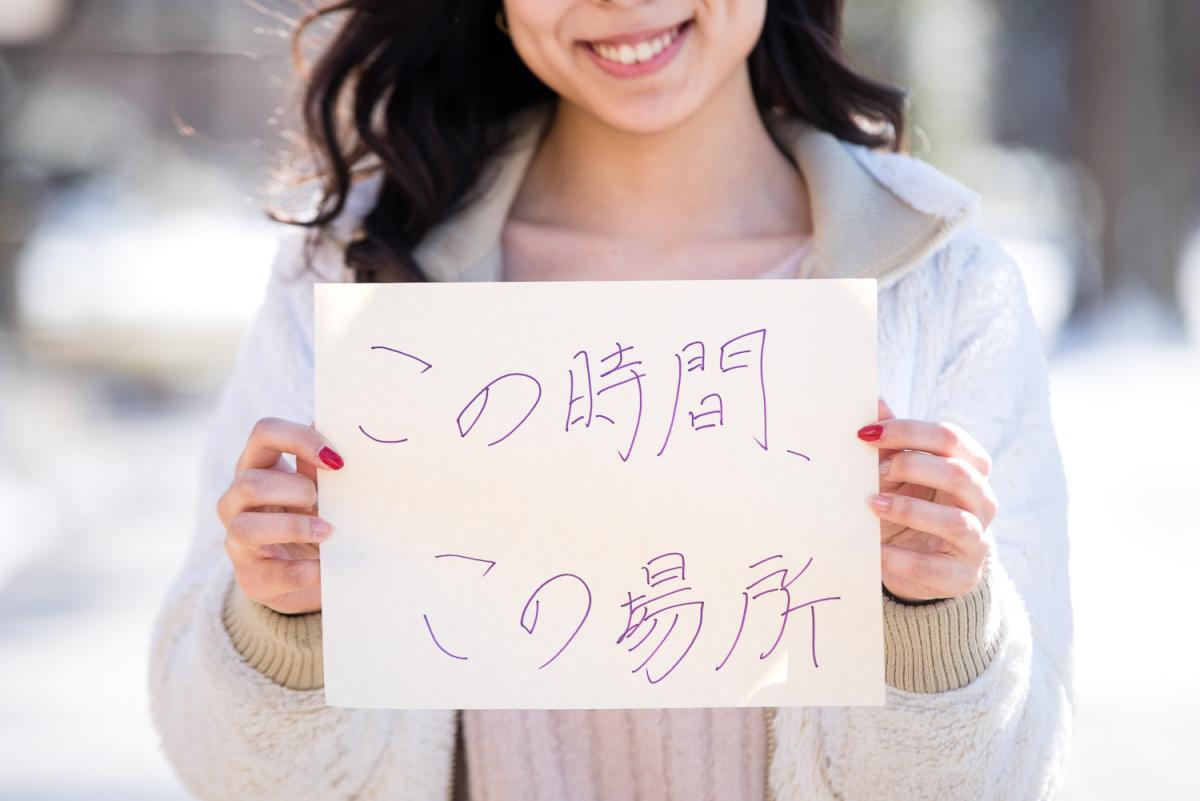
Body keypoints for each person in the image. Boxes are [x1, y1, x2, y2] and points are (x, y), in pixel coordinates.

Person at [149, 1, 1074, 800]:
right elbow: (233, 773)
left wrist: (937, 621)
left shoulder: (942, 282)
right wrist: (282, 629)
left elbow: (1005, 774)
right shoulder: (352, 272)